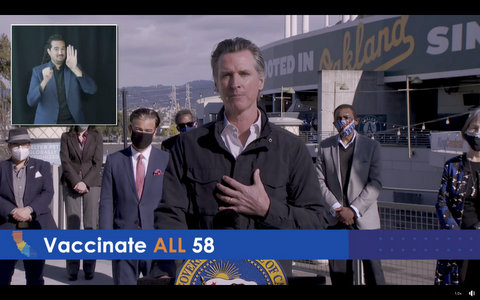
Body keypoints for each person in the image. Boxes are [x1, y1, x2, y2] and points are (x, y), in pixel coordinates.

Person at [150, 37, 327, 278]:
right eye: (226, 75)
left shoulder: (291, 149)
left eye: (244, 74)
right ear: (216, 84)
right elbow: (170, 216)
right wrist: (172, 270)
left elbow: (316, 225)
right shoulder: (187, 147)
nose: (235, 83)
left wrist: (267, 209)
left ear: (261, 81)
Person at [315, 104, 385, 285]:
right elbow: (318, 181)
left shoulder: (371, 147)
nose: (342, 122)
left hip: (364, 220)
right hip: (336, 219)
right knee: (340, 276)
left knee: (374, 274)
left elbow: (375, 183)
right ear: (333, 123)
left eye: (346, 117)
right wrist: (337, 208)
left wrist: (353, 210)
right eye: (338, 119)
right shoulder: (324, 147)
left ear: (356, 121)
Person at [99, 108, 169, 285]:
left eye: (147, 131)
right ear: (130, 130)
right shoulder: (115, 161)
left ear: (154, 132)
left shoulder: (166, 160)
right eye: (139, 130)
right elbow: (107, 201)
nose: (143, 134)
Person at [0, 128, 57, 285]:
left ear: (29, 146)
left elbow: (47, 192)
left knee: (34, 275)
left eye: (23, 144)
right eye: (16, 145)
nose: (20, 148)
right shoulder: (2, 168)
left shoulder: (42, 167)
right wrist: (13, 211)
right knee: (3, 274)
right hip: (9, 230)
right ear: (9, 146)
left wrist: (29, 210)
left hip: (33, 230)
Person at [435, 108, 480, 285]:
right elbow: (441, 201)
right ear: (465, 132)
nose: (477, 134)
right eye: (474, 128)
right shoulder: (452, 166)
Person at [60, 125, 103, 281]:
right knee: (73, 226)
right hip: (71, 183)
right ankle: (72, 268)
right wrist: (76, 181)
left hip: (92, 184)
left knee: (91, 224)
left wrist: (85, 183)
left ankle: (89, 266)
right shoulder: (66, 137)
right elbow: (65, 161)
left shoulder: (97, 136)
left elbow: (97, 163)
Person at [27, 33, 97, 124]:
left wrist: (74, 68)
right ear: (49, 51)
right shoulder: (38, 71)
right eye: (56, 49)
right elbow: (31, 101)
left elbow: (92, 90)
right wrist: (44, 81)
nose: (60, 52)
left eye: (62, 49)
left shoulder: (75, 68)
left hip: (73, 124)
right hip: (47, 125)